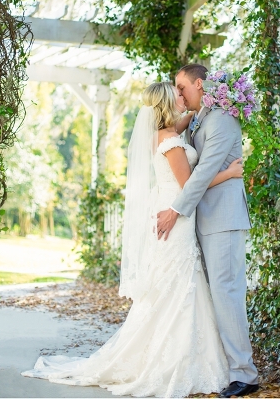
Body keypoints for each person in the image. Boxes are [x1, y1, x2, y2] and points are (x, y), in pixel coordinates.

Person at [23, 81, 244, 397]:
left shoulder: (166, 133)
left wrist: (201, 109)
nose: (183, 97)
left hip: (172, 211)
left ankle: (182, 354)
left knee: (176, 286)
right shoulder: (171, 143)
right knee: (179, 286)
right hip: (176, 215)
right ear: (167, 104)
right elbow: (190, 185)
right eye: (177, 95)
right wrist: (229, 174)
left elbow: (185, 122)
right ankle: (172, 361)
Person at [157, 63, 259, 398]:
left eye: (181, 86)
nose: (178, 92)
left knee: (227, 295)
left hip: (224, 219)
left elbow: (200, 175)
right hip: (206, 219)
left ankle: (245, 374)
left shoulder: (222, 121)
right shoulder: (201, 117)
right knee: (219, 296)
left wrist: (174, 210)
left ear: (199, 84)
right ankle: (229, 366)